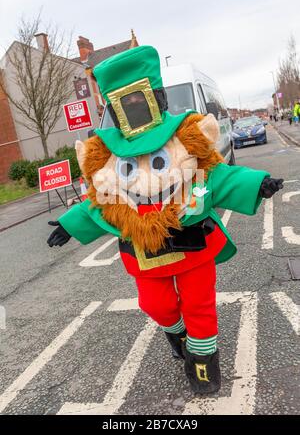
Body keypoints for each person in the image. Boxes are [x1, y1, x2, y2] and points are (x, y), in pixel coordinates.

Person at [47, 46, 284, 395]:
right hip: (143, 253)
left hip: (193, 248)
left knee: (199, 304)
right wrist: (70, 224)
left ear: (154, 97)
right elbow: (102, 200)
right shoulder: (109, 154)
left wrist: (255, 182)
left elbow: (217, 176)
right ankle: (175, 331)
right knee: (156, 305)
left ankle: (202, 365)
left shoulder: (181, 139)